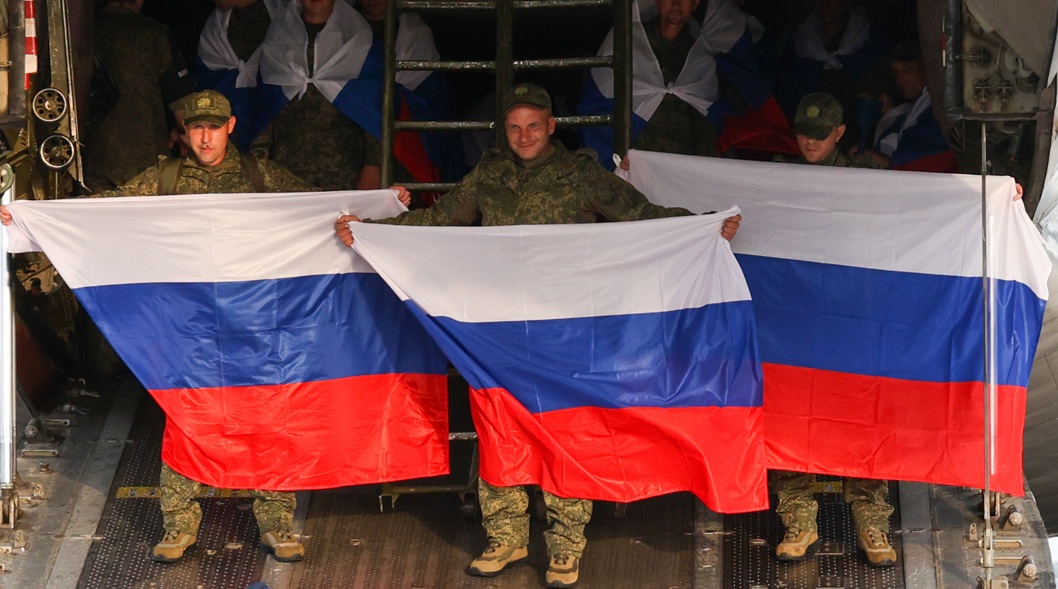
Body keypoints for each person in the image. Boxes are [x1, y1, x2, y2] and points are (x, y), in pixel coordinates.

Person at [335, 82, 740, 589]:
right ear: (504, 131)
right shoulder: (489, 175)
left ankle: (566, 545)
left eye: (532, 126)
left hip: (567, 326)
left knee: (567, 429)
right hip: (500, 326)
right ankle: (506, 536)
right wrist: (370, 229)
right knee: (498, 423)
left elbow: (643, 217)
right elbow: (438, 220)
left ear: (551, 126)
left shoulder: (581, 175)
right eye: (514, 127)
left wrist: (705, 226)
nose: (523, 136)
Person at [3, 90, 410, 564]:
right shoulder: (166, 178)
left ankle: (276, 521)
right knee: (187, 416)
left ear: (230, 127)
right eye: (196, 127)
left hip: (257, 320)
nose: (204, 137)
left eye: (213, 127)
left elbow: (322, 209)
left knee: (269, 415)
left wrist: (384, 204)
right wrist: (27, 218)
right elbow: (102, 214)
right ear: (184, 130)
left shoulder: (261, 176)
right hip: (188, 325)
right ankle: (179, 524)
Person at [771, 92, 895, 568]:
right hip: (796, 321)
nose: (809, 142)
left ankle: (872, 522)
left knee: (861, 418)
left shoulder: (867, 180)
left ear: (840, 133)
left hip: (851, 320)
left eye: (820, 135)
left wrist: (997, 197)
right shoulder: (775, 177)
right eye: (803, 132)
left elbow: (926, 208)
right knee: (792, 418)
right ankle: (799, 521)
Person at [254, 0, 384, 190]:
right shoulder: (278, 41)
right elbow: (265, 105)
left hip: (345, 170)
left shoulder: (360, 41)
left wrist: (373, 165)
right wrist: (259, 161)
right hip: (287, 170)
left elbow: (373, 107)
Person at [83, 0, 197, 192]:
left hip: (90, 161)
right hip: (146, 164)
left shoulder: (81, 34)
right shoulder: (153, 34)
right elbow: (184, 109)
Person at [194, 0, 286, 150]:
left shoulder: (284, 19)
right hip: (227, 129)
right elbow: (206, 77)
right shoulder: (216, 24)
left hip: (274, 128)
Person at [856, 40, 957, 173]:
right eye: (895, 72)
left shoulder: (939, 107)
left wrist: (886, 162)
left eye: (907, 69)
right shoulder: (914, 110)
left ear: (926, 68)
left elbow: (934, 159)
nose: (900, 79)